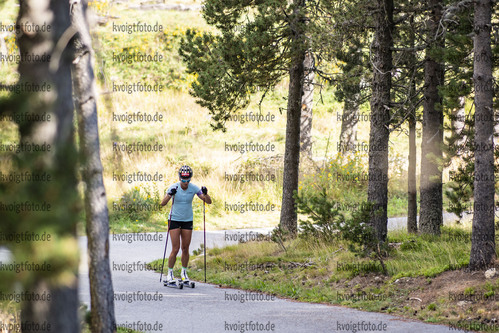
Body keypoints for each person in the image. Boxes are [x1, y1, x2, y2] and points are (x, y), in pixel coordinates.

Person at [160, 165, 212, 283]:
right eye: (183, 180)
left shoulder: (193, 188)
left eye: (188, 180)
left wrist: (206, 193)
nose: (185, 183)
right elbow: (163, 203)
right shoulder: (174, 187)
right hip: (174, 219)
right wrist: (169, 195)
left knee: (185, 248)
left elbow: (208, 201)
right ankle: (170, 274)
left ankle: (184, 273)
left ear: (190, 179)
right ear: (179, 178)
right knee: (176, 248)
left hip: (187, 220)